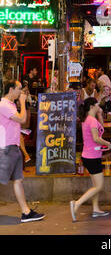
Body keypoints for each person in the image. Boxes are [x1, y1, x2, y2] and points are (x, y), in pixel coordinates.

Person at [0, 80, 45, 222]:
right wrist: (23, 103)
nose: (21, 92)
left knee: (18, 180)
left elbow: (22, 122)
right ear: (11, 89)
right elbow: (22, 119)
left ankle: (26, 212)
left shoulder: (11, 105)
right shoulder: (4, 105)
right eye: (19, 89)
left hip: (14, 147)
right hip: (6, 148)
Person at [70, 97, 111, 221]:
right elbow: (96, 138)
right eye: (98, 105)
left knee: (95, 184)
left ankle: (96, 209)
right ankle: (77, 203)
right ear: (92, 106)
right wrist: (107, 143)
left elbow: (101, 129)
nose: (100, 107)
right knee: (99, 186)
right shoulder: (91, 120)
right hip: (92, 156)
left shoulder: (87, 119)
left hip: (89, 155)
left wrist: (100, 115)